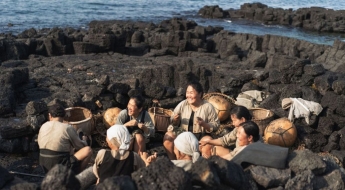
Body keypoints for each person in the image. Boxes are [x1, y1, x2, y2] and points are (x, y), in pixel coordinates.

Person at [163, 81, 220, 160]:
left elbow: (216, 125)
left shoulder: (208, 106)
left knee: (208, 141)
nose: (188, 95)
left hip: (200, 136)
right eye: (187, 92)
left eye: (191, 93)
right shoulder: (183, 104)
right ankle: (173, 161)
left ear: (200, 94)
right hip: (183, 135)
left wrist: (204, 124)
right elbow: (172, 121)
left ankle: (205, 165)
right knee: (168, 136)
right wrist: (175, 120)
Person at [38, 104, 92, 174]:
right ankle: (79, 176)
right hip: (59, 165)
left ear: (50, 115)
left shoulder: (43, 126)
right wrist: (84, 140)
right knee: (88, 150)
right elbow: (80, 146)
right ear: (64, 116)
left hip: (43, 164)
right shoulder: (67, 127)